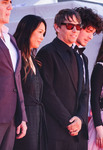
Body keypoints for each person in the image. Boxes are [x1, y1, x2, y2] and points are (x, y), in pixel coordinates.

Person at [36, 9, 88, 150]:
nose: (75, 30)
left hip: (79, 133)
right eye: (70, 26)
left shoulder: (80, 56)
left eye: (78, 27)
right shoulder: (46, 53)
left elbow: (84, 92)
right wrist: (68, 121)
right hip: (56, 130)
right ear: (57, 27)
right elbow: (46, 92)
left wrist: (80, 118)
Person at [13, 15, 47, 150]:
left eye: (44, 33)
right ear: (28, 30)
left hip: (38, 118)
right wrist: (20, 119)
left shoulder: (34, 61)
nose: (42, 37)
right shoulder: (16, 56)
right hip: (23, 120)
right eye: (39, 32)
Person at [72, 7, 103, 149]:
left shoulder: (84, 57)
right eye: (88, 31)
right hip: (61, 125)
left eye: (93, 33)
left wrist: (81, 118)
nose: (91, 37)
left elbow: (85, 93)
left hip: (81, 125)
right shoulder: (54, 53)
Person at [0, 1, 27, 150]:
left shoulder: (11, 39)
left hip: (11, 118)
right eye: (4, 3)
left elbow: (16, 80)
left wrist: (21, 116)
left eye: (11, 3)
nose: (10, 7)